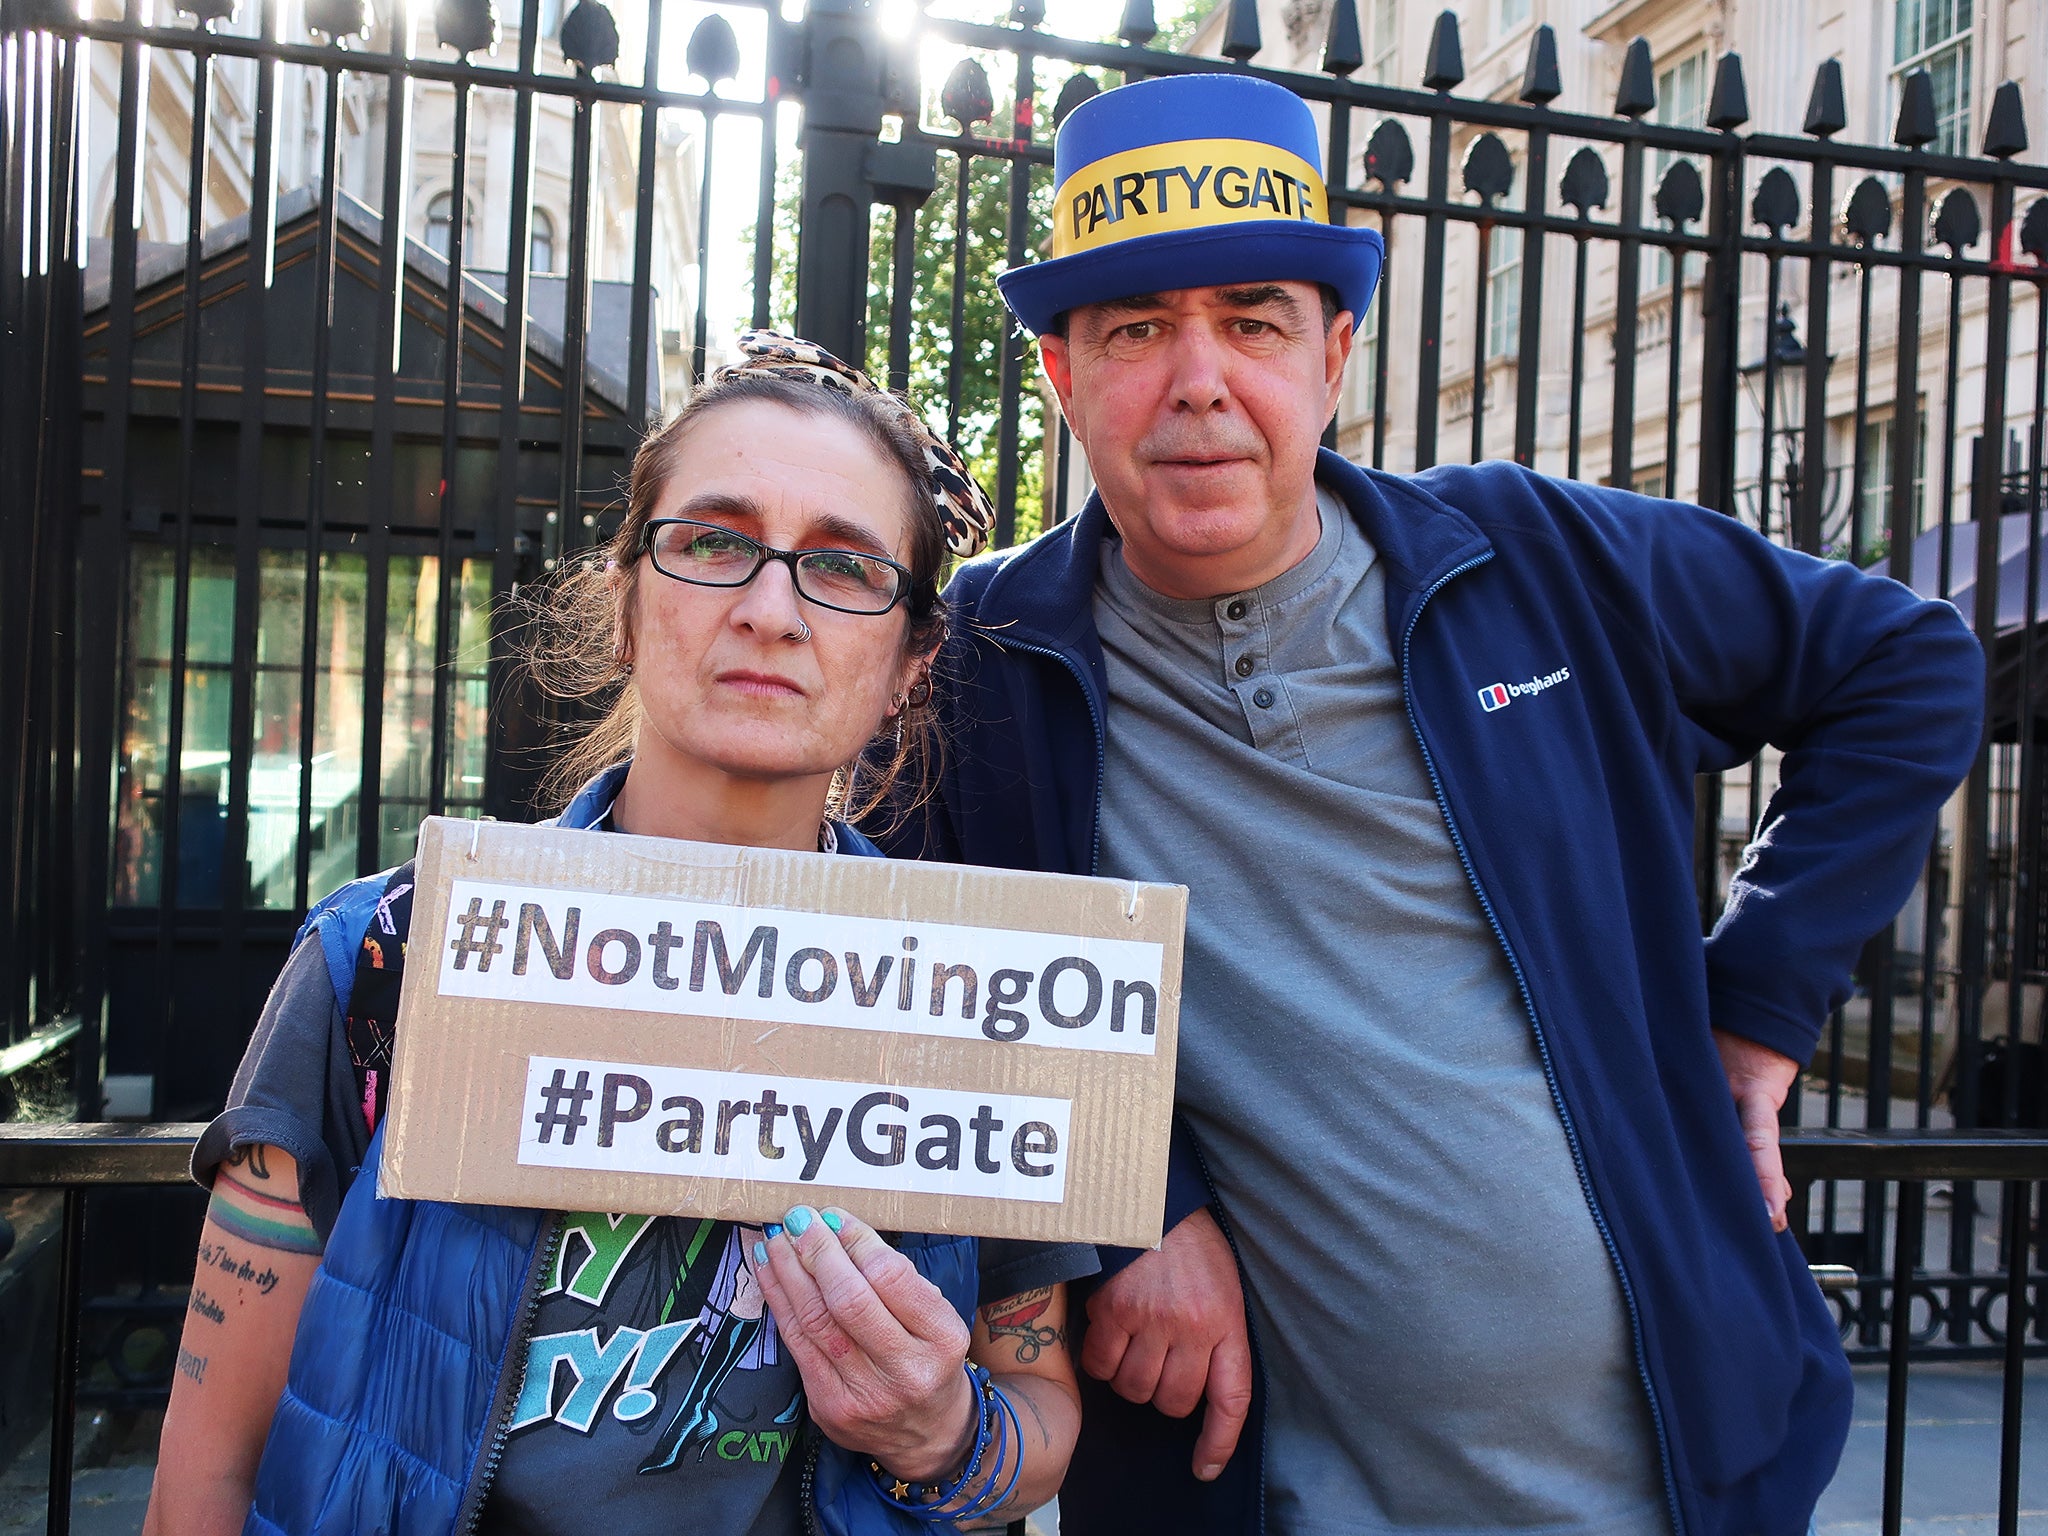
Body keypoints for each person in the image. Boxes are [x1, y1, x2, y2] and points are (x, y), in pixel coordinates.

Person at [879, 72, 1985, 1536]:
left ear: (1333, 357)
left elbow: (1912, 666)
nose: (1200, 378)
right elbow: (921, 980)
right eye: (1137, 328)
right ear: (1065, 382)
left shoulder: (1535, 560)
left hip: (1686, 1481)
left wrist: (1759, 1004)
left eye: (1254, 319)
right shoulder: (986, 666)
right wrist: (1127, 1202)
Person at [141, 333, 1094, 1536]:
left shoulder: (981, 999)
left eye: (845, 569)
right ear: (624, 595)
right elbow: (203, 1482)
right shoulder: (390, 956)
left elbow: (1040, 1415)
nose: (768, 611)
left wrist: (940, 1434)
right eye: (711, 542)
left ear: (911, 659)